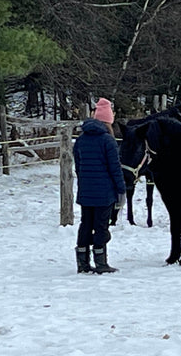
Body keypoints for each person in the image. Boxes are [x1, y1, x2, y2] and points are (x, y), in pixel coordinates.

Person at [73, 98, 126, 274]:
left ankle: (82, 263)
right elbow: (115, 168)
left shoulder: (81, 140)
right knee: (101, 226)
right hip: (104, 193)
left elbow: (78, 167)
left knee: (85, 224)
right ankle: (101, 262)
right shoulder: (108, 141)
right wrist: (121, 189)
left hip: (86, 192)